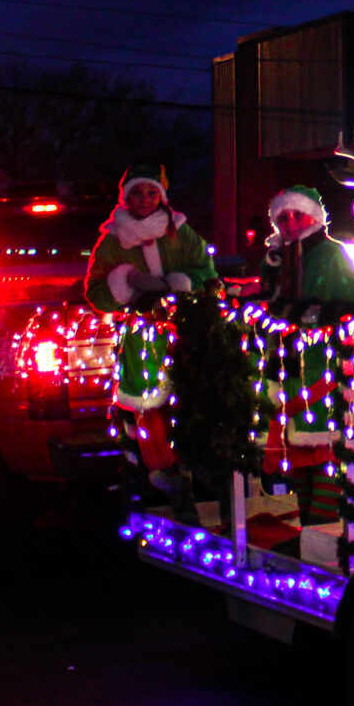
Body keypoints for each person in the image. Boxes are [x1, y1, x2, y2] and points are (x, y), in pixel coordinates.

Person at [86, 164, 219, 494]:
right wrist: (127, 284)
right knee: (148, 403)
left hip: (185, 330)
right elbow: (95, 291)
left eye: (151, 193)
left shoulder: (181, 232)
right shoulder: (112, 241)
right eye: (137, 193)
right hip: (140, 338)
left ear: (161, 196)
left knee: (188, 396)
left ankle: (193, 464)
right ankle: (157, 468)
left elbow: (207, 271)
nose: (145, 199)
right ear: (125, 196)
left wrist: (183, 282)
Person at [257, 184, 354, 521]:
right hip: (286, 361)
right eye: (283, 217)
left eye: (298, 215)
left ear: (314, 217)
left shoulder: (332, 254)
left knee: (326, 450)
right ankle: (310, 529)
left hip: (324, 359)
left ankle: (325, 530)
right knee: (300, 468)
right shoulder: (276, 257)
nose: (290, 223)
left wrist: (318, 317)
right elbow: (267, 301)